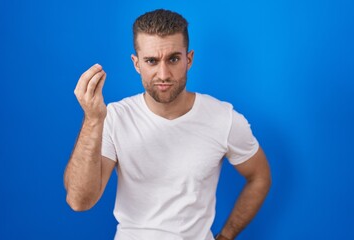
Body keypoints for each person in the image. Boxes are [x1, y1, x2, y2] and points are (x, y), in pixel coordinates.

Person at [64, 9, 271, 240]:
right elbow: (79, 200)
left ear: (188, 59)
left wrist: (226, 236)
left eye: (173, 59)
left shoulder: (224, 118)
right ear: (136, 63)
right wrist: (93, 120)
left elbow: (260, 176)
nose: (163, 74)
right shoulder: (114, 117)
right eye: (151, 61)